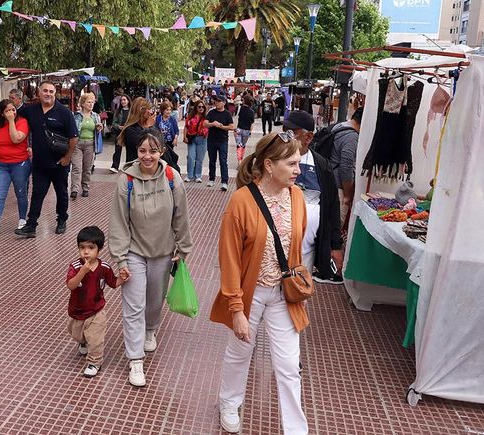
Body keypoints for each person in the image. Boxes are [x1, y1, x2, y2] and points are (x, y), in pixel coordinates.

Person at [211, 131, 309, 435]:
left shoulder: (297, 196)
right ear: (269, 165)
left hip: (284, 294)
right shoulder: (241, 201)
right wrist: (236, 309)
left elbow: (297, 245)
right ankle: (229, 402)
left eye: (298, 163)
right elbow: (230, 260)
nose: (298, 170)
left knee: (290, 365)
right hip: (249, 293)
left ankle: (296, 428)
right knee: (239, 353)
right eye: (291, 163)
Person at [109, 132, 193, 388]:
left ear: (162, 151)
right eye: (143, 151)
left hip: (164, 251)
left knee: (154, 300)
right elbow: (119, 221)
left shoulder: (172, 178)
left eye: (153, 151)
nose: (147, 156)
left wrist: (183, 247)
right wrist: (120, 259)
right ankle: (135, 360)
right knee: (133, 306)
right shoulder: (127, 180)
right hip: (134, 251)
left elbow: (181, 216)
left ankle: (151, 328)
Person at [0, 81, 77, 238]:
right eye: (45, 91)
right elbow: (10, 113)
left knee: (61, 192)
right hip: (40, 163)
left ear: (55, 93)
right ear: (39, 93)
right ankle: (31, 225)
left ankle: (61, 219)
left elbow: (74, 138)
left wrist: (67, 157)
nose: (48, 94)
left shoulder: (64, 112)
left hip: (59, 162)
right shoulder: (31, 110)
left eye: (51, 91)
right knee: (37, 194)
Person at [282, 111, 343, 284]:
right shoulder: (272, 160)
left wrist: (336, 246)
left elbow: (332, 205)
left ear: (308, 137)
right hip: (271, 248)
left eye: (291, 132)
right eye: (284, 130)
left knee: (298, 295)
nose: (285, 136)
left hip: (305, 252)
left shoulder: (322, 166)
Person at [66, 226, 124, 378]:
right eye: (82, 247)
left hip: (97, 310)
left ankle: (94, 362)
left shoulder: (104, 267)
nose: (86, 252)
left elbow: (113, 283)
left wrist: (122, 279)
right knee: (76, 334)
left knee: (96, 338)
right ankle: (82, 342)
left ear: (99, 249)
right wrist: (82, 272)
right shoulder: (75, 266)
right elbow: (71, 285)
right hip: (77, 311)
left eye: (91, 248)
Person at [0, 99, 30, 238]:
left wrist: (11, 121)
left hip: (19, 164)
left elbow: (16, 139)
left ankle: (22, 220)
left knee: (20, 193)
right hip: (2, 165)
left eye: (13, 109)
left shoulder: (22, 122)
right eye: (7, 111)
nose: (11, 112)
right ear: (2, 113)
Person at [329, 107, 363, 229]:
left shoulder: (339, 126)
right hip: (339, 187)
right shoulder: (351, 137)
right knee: (335, 226)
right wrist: (348, 195)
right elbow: (346, 167)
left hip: (328, 179)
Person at [71, 93, 103, 200]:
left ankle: (85, 188)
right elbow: (72, 130)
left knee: (87, 168)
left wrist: (99, 128)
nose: (91, 104)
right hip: (77, 144)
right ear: (83, 104)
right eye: (88, 102)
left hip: (90, 144)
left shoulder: (95, 116)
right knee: (76, 167)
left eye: (92, 102)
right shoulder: (76, 116)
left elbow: (98, 132)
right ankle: (74, 189)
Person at [203, 94, 234, 191]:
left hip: (223, 141)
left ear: (224, 103)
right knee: (212, 161)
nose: (216, 103)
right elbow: (205, 124)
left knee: (223, 161)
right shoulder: (211, 112)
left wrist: (221, 126)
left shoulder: (227, 114)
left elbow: (232, 127)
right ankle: (211, 179)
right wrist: (213, 124)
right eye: (215, 101)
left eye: (218, 101)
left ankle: (224, 181)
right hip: (211, 140)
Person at [117, 97, 157, 164]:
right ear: (141, 111)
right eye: (149, 109)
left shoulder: (146, 126)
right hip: (135, 168)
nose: (151, 112)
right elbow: (148, 144)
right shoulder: (131, 130)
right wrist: (149, 127)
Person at [182, 100, 208, 183]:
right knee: (190, 157)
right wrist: (184, 136)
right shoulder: (191, 116)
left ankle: (198, 175)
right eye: (199, 107)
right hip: (192, 138)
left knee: (199, 159)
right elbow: (186, 126)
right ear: (196, 107)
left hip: (202, 139)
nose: (201, 108)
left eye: (202, 107)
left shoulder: (207, 117)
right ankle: (189, 175)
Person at [154, 101, 181, 173]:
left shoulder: (172, 119)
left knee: (169, 157)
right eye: (167, 110)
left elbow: (176, 130)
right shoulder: (158, 118)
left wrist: (175, 138)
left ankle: (169, 171)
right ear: (163, 110)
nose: (169, 112)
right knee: (160, 157)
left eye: (170, 110)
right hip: (160, 142)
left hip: (170, 142)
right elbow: (155, 128)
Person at [109, 94, 131, 173]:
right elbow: (114, 123)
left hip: (129, 132)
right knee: (117, 149)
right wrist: (119, 127)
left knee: (130, 150)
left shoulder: (131, 111)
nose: (123, 101)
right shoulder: (118, 111)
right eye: (121, 100)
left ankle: (128, 167)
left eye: (124, 100)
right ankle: (115, 166)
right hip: (119, 132)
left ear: (128, 100)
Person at [235, 94, 256, 162]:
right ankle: (241, 158)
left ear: (244, 101)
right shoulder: (252, 111)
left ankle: (239, 160)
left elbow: (236, 118)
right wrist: (250, 132)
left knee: (239, 145)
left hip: (239, 129)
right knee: (243, 145)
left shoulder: (239, 108)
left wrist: (234, 129)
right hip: (247, 131)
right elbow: (252, 123)